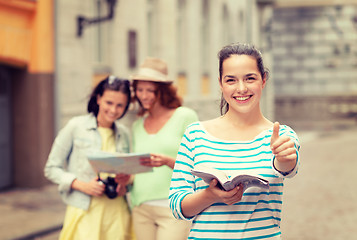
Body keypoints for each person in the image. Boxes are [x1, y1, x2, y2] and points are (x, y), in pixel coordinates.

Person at [169, 43, 300, 239]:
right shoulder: (195, 135)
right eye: (231, 80)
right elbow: (177, 206)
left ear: (263, 80)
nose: (241, 88)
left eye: (250, 78)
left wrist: (285, 157)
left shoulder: (281, 136)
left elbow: (287, 167)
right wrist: (210, 195)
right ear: (221, 84)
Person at [44, 76, 134, 240]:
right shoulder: (75, 126)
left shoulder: (125, 134)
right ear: (98, 99)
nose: (113, 110)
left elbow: (128, 174)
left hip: (117, 215)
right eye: (109, 103)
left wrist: (124, 185)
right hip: (84, 211)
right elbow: (51, 168)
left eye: (120, 105)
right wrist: (80, 185)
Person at [129, 57, 199, 240]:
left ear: (163, 91)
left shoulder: (185, 116)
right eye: (140, 90)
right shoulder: (137, 125)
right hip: (140, 207)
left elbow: (200, 165)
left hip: (173, 207)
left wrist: (168, 161)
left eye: (150, 90)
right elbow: (138, 169)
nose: (144, 96)